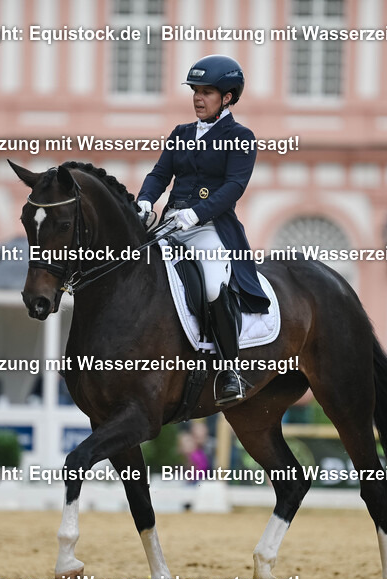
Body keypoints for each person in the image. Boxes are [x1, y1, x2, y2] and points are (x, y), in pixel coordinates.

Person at [136, 54, 269, 405]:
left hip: (208, 227)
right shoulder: (181, 133)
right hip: (169, 224)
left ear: (227, 97)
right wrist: (145, 200)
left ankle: (230, 370)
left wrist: (195, 214)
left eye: (207, 92)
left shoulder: (240, 137)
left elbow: (233, 187)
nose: (198, 98)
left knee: (212, 284)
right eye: (196, 91)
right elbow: (159, 174)